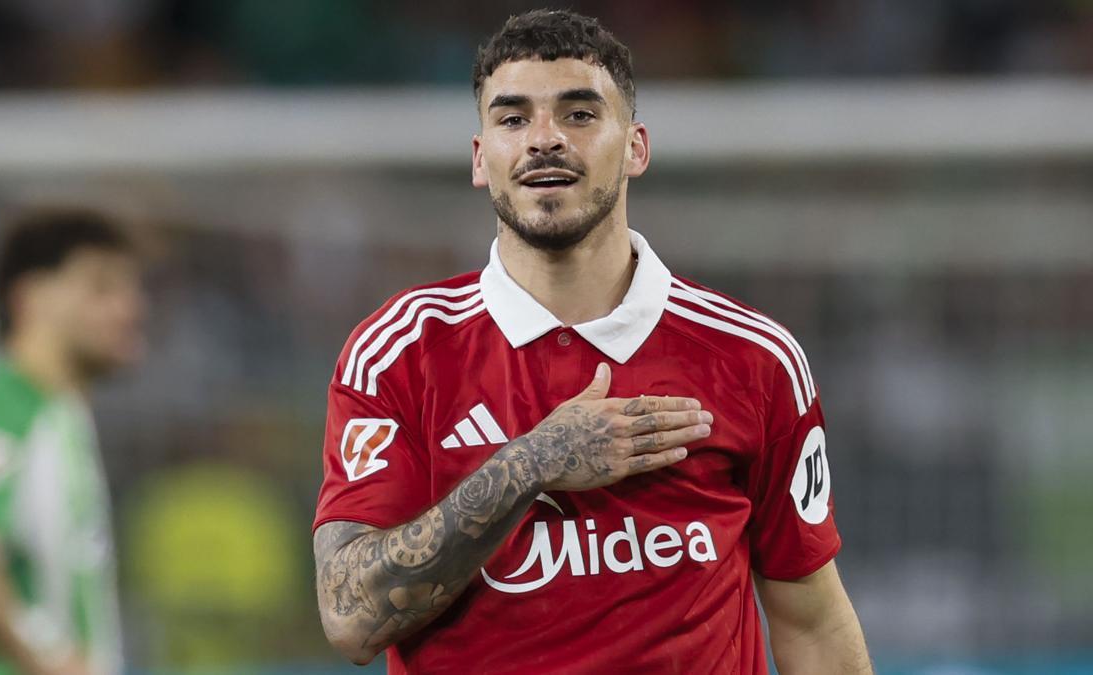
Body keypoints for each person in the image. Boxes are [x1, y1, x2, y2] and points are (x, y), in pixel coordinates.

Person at [313, 9, 870, 674]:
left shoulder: (753, 357)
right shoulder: (400, 352)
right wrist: (532, 463)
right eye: (513, 118)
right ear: (480, 158)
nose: (544, 140)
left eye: (579, 114)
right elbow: (350, 617)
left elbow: (811, 620)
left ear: (635, 147)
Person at [0, 209, 145, 675]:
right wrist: (51, 657)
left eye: (130, 289)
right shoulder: (7, 405)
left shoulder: (62, 414)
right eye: (100, 288)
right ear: (29, 299)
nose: (129, 308)